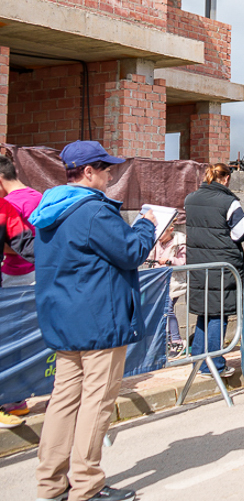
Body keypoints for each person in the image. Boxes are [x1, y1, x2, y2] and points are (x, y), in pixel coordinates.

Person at [31, 140, 154, 501]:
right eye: (105, 168)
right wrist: (147, 226)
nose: (110, 174)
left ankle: (51, 484)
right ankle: (86, 485)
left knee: (63, 401)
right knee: (96, 402)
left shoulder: (49, 209)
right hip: (99, 319)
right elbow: (130, 252)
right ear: (88, 172)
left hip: (63, 317)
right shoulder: (93, 211)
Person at [184, 163, 244, 378]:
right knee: (219, 314)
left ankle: (199, 363)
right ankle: (214, 365)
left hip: (198, 265)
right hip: (223, 266)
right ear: (226, 178)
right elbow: (240, 232)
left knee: (205, 314)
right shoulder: (229, 202)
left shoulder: (190, 199)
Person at [0, 153, 42, 421]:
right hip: (35, 274)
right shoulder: (38, 197)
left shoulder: (9, 205)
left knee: (11, 338)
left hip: (16, 276)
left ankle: (13, 399)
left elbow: (19, 246)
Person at [146, 214, 188, 358]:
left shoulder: (179, 242)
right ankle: (166, 341)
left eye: (162, 233)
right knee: (160, 312)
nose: (159, 236)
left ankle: (177, 341)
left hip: (173, 282)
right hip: (158, 282)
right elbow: (150, 256)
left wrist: (170, 260)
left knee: (167, 309)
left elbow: (183, 261)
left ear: (170, 230)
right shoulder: (156, 242)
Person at [0, 154, 41, 288]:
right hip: (37, 268)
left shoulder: (7, 205)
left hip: (15, 272)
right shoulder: (38, 196)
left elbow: (15, 244)